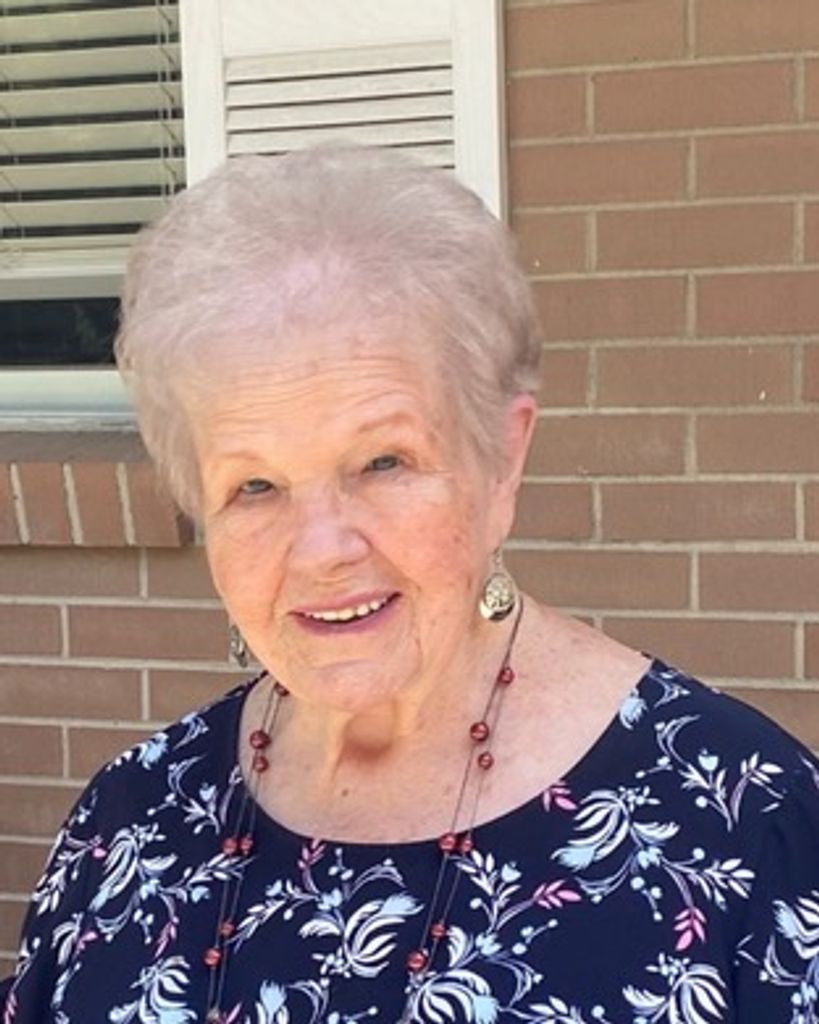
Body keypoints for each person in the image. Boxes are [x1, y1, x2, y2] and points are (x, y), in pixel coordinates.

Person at [2, 144, 818, 1024]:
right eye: (255, 486)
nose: (320, 550)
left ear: (502, 458)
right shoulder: (132, 822)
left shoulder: (741, 824)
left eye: (382, 462)